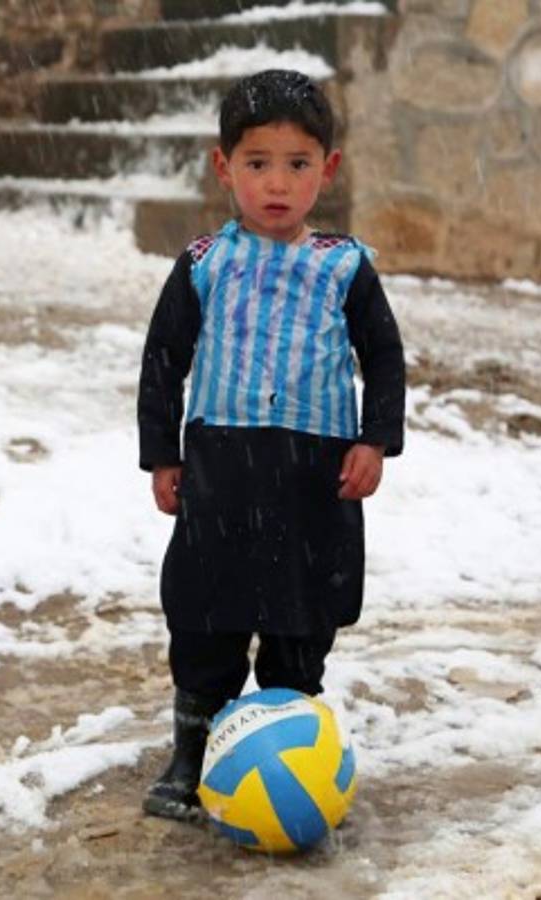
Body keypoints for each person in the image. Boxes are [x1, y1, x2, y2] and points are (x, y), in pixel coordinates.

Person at [137, 69, 405, 822]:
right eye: (257, 164)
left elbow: (382, 356)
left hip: (315, 479)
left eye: (297, 164)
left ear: (329, 168)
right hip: (219, 472)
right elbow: (164, 360)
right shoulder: (201, 264)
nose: (277, 184)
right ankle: (193, 753)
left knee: (300, 617)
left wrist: (375, 440)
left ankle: (288, 751)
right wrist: (163, 455)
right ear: (224, 168)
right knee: (206, 615)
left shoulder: (345, 267)